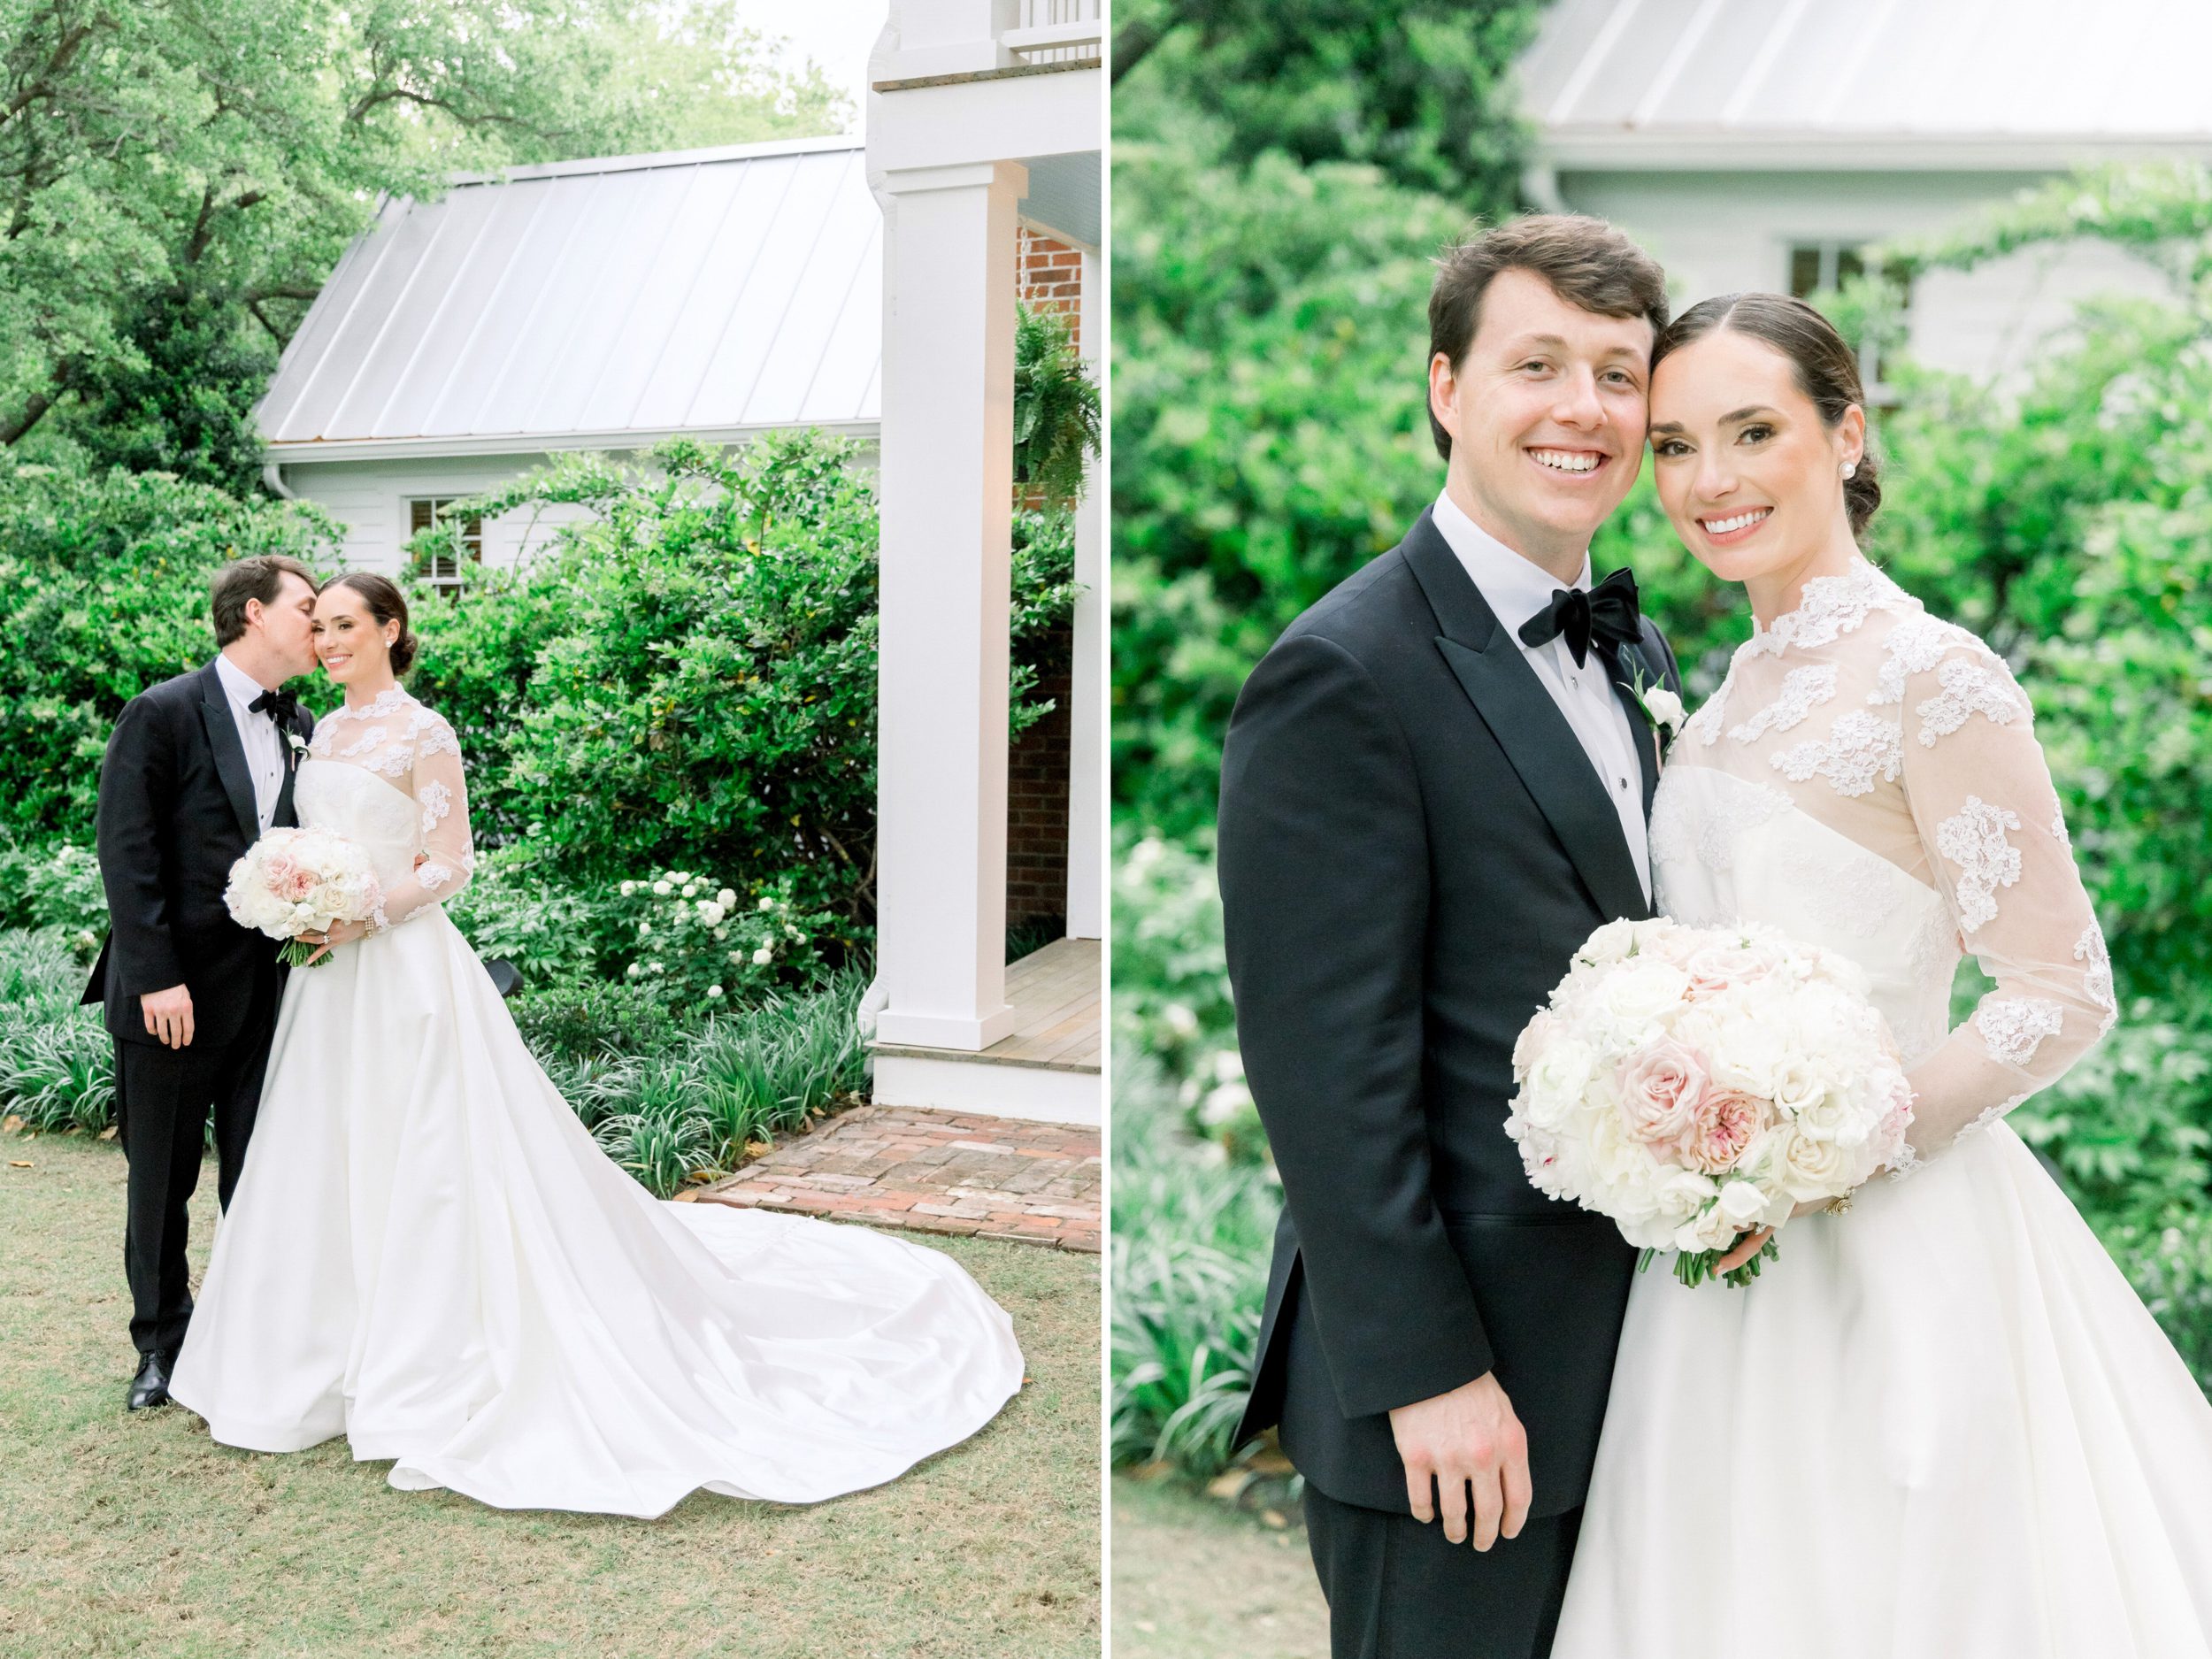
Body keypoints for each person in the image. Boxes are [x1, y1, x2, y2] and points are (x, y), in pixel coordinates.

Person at [1550, 294, 2212, 1654]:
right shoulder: (1718, 688)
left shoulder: (1935, 676)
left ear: (1846, 435)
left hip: (1893, 1248)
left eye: (1753, 431)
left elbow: (2062, 984)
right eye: (1674, 445)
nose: (1709, 481)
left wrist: (1826, 1148)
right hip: (1711, 1272)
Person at [165, 572, 1025, 1518]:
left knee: (439, 1156)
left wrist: (364, 908)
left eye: (343, 625)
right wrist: (301, 897)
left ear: (389, 629)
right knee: (333, 1150)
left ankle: (427, 1360)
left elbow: (451, 863)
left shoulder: (424, 732)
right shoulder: (320, 732)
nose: (326, 641)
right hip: (329, 984)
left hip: (403, 965)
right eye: (316, 626)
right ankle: (321, 1354)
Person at [1217, 216, 1683, 1658]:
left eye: (1617, 372)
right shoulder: (1342, 672)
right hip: (1459, 1401)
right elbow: (1323, 1072)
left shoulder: (1632, 647)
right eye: (1536, 363)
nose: (1582, 409)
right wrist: (1436, 1377)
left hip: (1639, 1365)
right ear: (1446, 388)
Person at [86, 556, 321, 1412]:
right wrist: (155, 979)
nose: (319, 622)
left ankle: (246, 1337)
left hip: (273, 997)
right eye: (306, 608)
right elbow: (128, 849)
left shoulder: (304, 720)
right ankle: (161, 1346)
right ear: (253, 613)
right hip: (173, 998)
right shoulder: (163, 712)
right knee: (162, 1178)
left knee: (259, 1173)